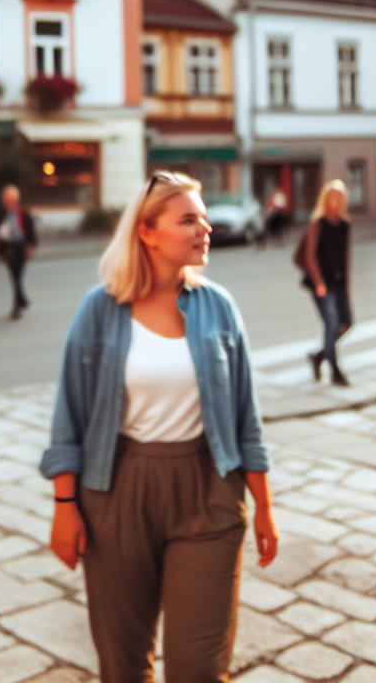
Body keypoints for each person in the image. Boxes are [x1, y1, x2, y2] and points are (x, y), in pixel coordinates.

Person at [40, 172, 279, 682]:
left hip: (210, 491)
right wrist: (65, 508)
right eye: (189, 219)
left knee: (198, 668)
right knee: (123, 666)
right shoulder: (99, 310)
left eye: (205, 219)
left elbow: (245, 417)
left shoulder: (218, 307)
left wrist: (264, 505)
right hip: (117, 494)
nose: (204, 229)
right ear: (147, 232)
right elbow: (69, 421)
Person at [301, 180, 353, 386]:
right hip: (322, 283)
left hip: (339, 282)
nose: (337, 201)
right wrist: (319, 283)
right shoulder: (318, 223)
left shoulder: (345, 224)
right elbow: (309, 256)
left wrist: (348, 283)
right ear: (326, 199)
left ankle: (318, 356)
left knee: (346, 323)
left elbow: (346, 256)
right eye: (333, 197)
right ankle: (335, 371)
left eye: (340, 197)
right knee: (331, 325)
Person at [0, 184, 37, 319]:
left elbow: (31, 232)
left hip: (21, 247)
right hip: (9, 248)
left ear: (15, 199)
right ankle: (17, 307)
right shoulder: (2, 215)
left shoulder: (23, 214)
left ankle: (21, 301)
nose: (7, 201)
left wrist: (30, 246)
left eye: (9, 199)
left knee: (18, 277)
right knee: (15, 277)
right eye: (5, 199)